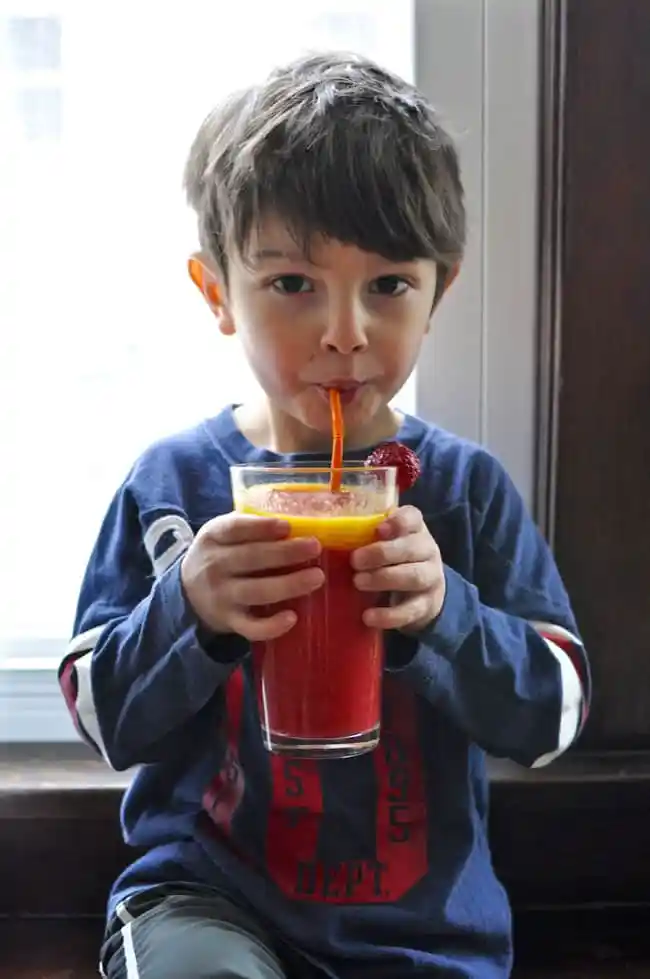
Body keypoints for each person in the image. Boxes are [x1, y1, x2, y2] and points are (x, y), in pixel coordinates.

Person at [59, 51, 590, 979]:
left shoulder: (460, 490)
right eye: (294, 284)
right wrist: (189, 606)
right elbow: (104, 720)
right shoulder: (174, 484)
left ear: (439, 292)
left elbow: (555, 715)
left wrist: (444, 613)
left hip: (425, 932)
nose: (345, 330)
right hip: (209, 902)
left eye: (388, 285)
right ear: (218, 292)